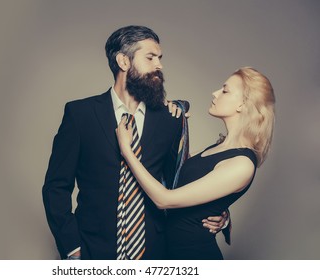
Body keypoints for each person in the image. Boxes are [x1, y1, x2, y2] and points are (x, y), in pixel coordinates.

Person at [42, 25, 227, 260]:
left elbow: (179, 181)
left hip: (156, 251)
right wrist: (72, 247)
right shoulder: (80, 114)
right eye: (150, 57)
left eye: (160, 58)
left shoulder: (169, 119)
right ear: (123, 61)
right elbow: (56, 187)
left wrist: (218, 214)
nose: (159, 65)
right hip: (92, 250)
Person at [116, 67, 275, 259]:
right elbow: (175, 170)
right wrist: (174, 121)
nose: (215, 93)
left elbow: (164, 199)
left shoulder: (242, 163)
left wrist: (126, 150)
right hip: (169, 254)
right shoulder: (218, 148)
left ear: (243, 104)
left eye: (225, 91)